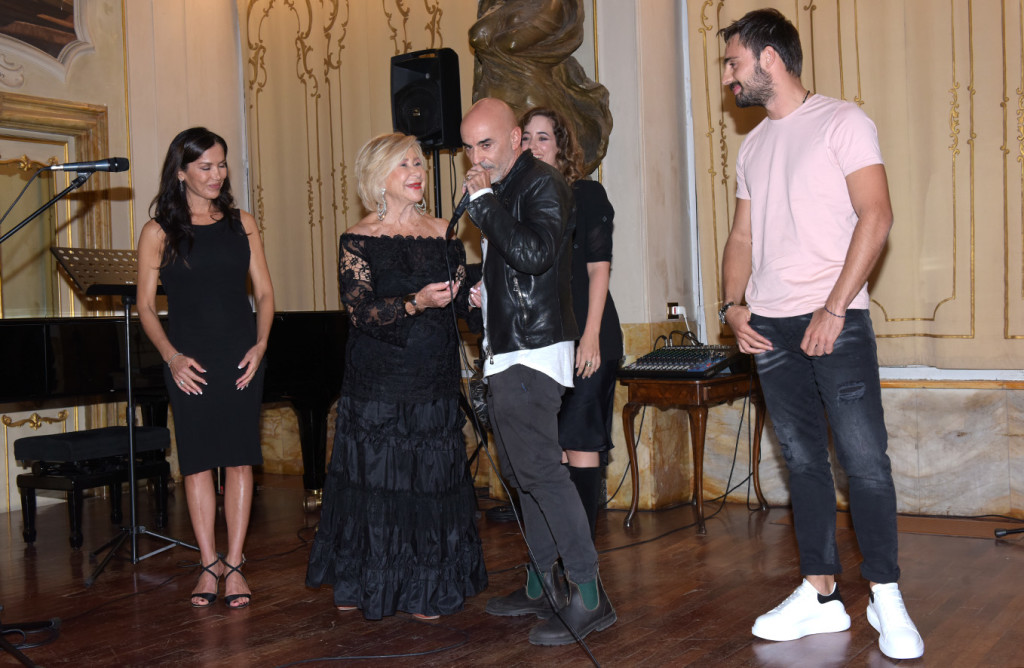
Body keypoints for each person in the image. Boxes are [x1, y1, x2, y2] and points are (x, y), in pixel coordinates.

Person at [718, 9, 924, 661]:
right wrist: (732, 306)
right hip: (770, 329)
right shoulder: (753, 146)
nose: (728, 77)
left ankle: (886, 596)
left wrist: (835, 307)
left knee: (864, 461)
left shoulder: (843, 121)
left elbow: (877, 213)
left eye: (733, 62)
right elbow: (743, 236)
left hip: (836, 320)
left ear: (768, 58)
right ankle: (819, 593)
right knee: (802, 462)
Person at [305, 133, 487, 621]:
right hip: (380, 380)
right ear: (378, 178)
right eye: (404, 163)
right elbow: (361, 312)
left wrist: (470, 297)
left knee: (428, 484)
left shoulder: (447, 233)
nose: (417, 170)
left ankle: (425, 586)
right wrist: (415, 302)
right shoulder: (358, 239)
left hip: (434, 375)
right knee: (377, 484)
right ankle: (365, 581)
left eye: (419, 162)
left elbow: (462, 307)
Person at [462, 97, 615, 646]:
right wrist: (486, 293)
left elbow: (535, 254)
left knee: (544, 476)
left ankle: (589, 595)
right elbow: (516, 269)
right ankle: (539, 583)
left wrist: (483, 206)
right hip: (509, 347)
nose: (474, 158)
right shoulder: (504, 193)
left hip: (531, 353)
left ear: (515, 140)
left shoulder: (543, 184)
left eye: (485, 144)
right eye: (468, 147)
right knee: (524, 474)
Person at [137, 127, 275, 609]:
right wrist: (172, 357)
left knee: (239, 457)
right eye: (205, 167)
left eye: (221, 165)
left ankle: (234, 565)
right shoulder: (158, 232)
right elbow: (146, 308)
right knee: (197, 463)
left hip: (240, 353)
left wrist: (260, 345)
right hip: (187, 358)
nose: (217, 175)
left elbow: (263, 292)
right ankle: (208, 563)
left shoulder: (243, 223)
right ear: (181, 172)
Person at [520, 107, 623, 540]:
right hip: (543, 340)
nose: (532, 145)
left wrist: (590, 337)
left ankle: (581, 557)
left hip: (589, 333)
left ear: (561, 146)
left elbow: (600, 269)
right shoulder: (519, 203)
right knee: (550, 448)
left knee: (580, 441)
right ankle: (556, 553)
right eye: (525, 137)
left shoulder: (586, 194)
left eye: (543, 137)